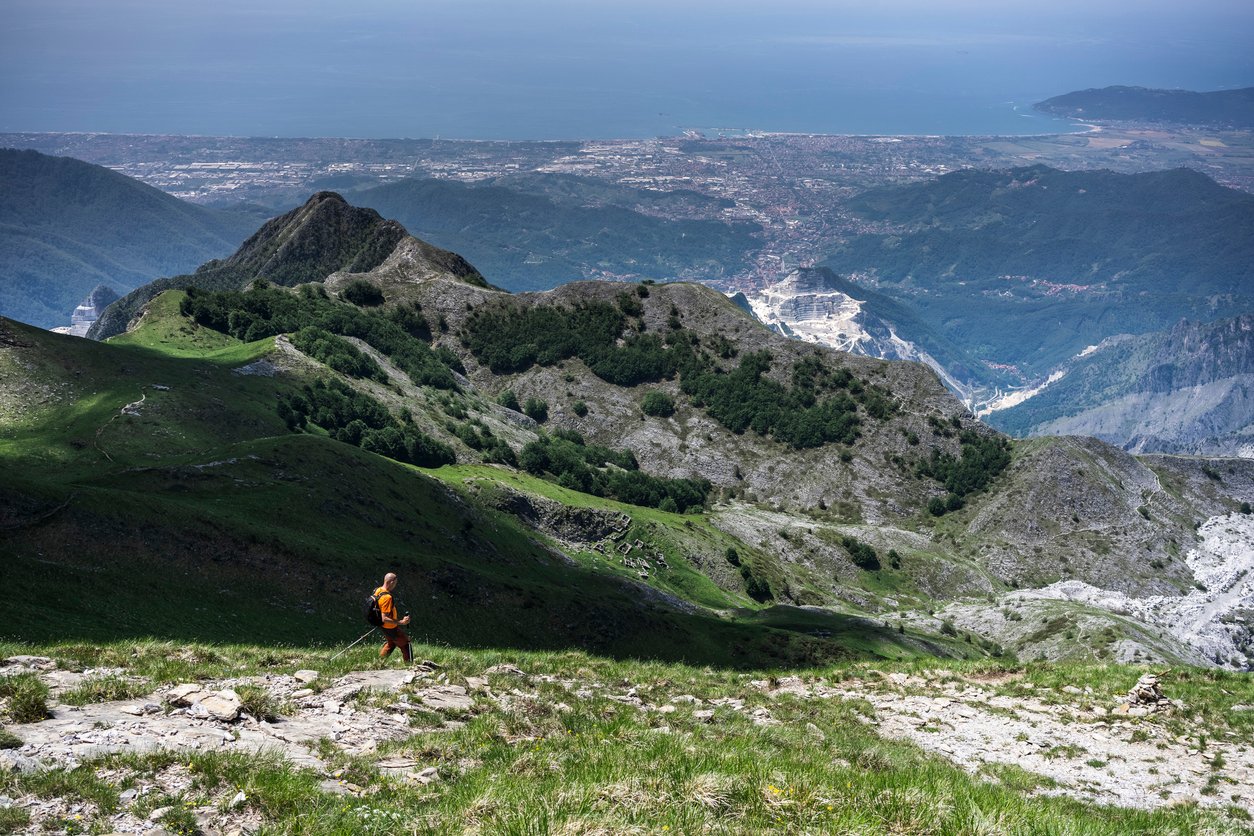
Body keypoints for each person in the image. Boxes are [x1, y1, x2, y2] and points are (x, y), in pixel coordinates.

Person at [374, 572, 412, 663]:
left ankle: (379, 663)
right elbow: (385, 618)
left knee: (391, 643)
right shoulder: (387, 597)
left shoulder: (378, 590)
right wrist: (401, 622)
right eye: (395, 583)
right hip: (390, 627)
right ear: (391, 582)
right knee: (406, 645)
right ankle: (409, 667)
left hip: (383, 626)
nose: (395, 585)